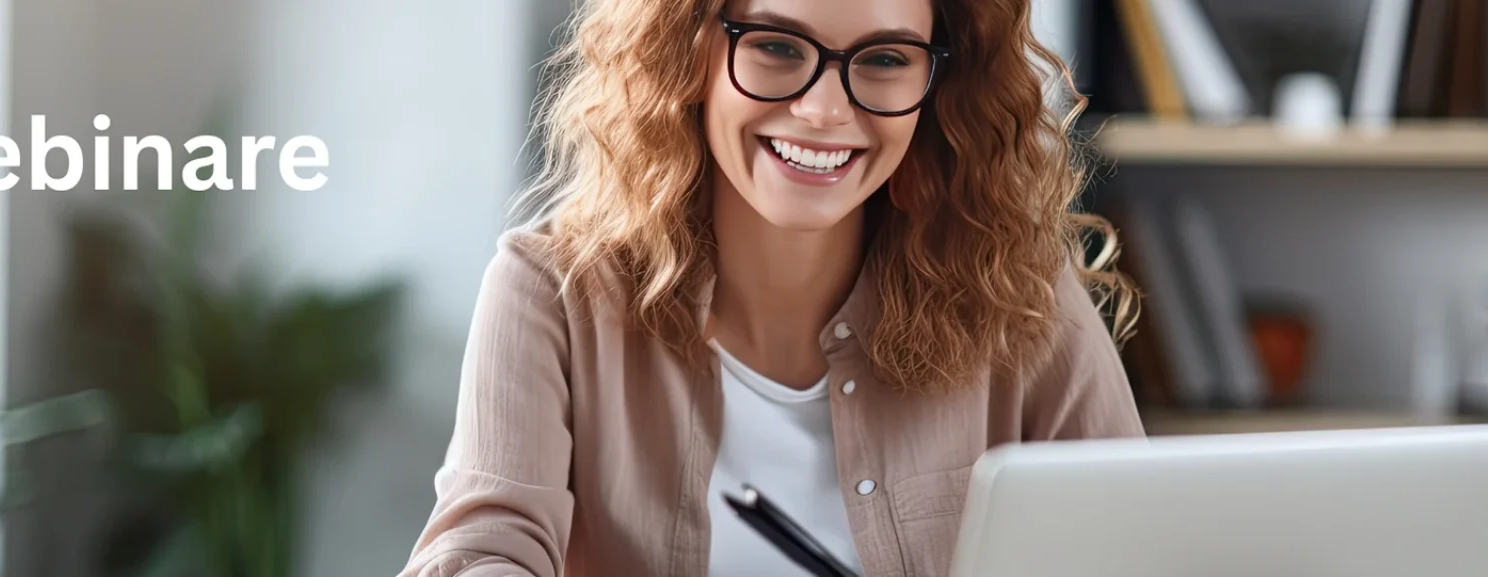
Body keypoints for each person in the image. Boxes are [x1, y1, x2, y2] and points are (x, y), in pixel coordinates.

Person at [398, 0, 1144, 574]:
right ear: (688, 49)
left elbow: (1138, 547)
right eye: (778, 47)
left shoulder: (1020, 295)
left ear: (937, 88)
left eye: (886, 59)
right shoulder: (551, 294)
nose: (824, 110)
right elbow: (481, 546)